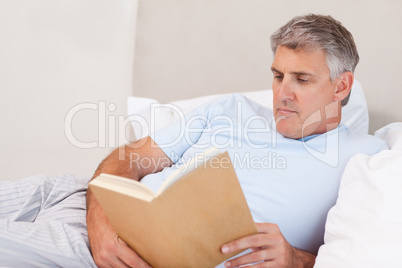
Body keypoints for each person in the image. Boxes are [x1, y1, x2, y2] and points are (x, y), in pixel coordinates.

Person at [86, 14, 387, 268]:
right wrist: (100, 225)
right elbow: (128, 158)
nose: (282, 92)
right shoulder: (229, 109)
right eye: (278, 76)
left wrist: (296, 260)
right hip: (100, 234)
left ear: (341, 86)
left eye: (302, 79)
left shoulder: (368, 158)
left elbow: (364, 253)